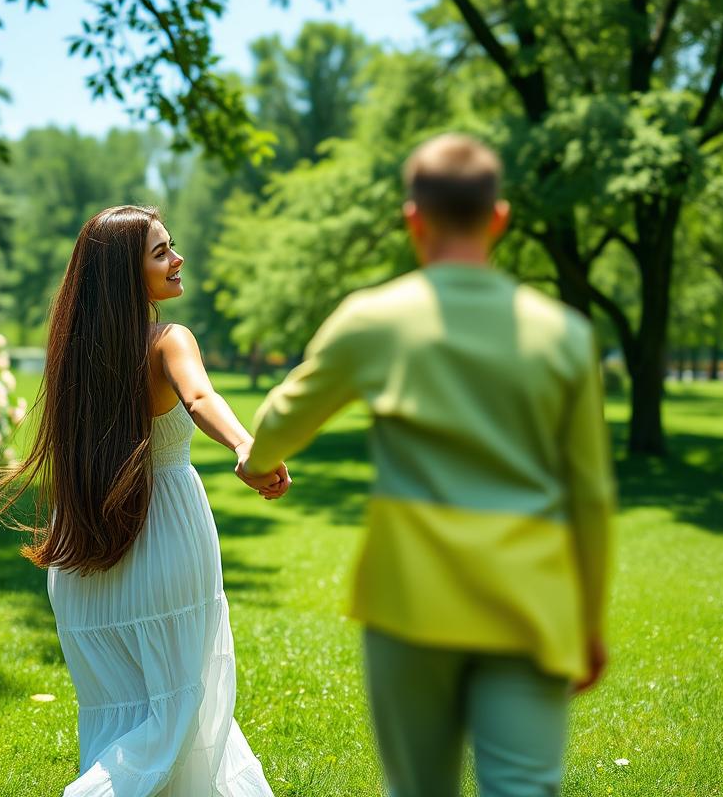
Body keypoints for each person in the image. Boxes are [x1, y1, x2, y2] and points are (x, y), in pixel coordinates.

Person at [239, 134, 615, 797]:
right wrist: (586, 621)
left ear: (414, 219)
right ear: (499, 218)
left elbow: (284, 415)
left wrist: (258, 460)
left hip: (411, 597)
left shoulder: (374, 320)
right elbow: (589, 495)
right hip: (531, 601)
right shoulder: (566, 335)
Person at [0, 205, 288, 797]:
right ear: (127, 273)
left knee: (127, 713)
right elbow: (199, 396)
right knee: (177, 712)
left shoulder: (73, 358)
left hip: (84, 557)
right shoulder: (169, 340)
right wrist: (247, 444)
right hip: (167, 537)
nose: (178, 261)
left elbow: (196, 397)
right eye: (161, 253)